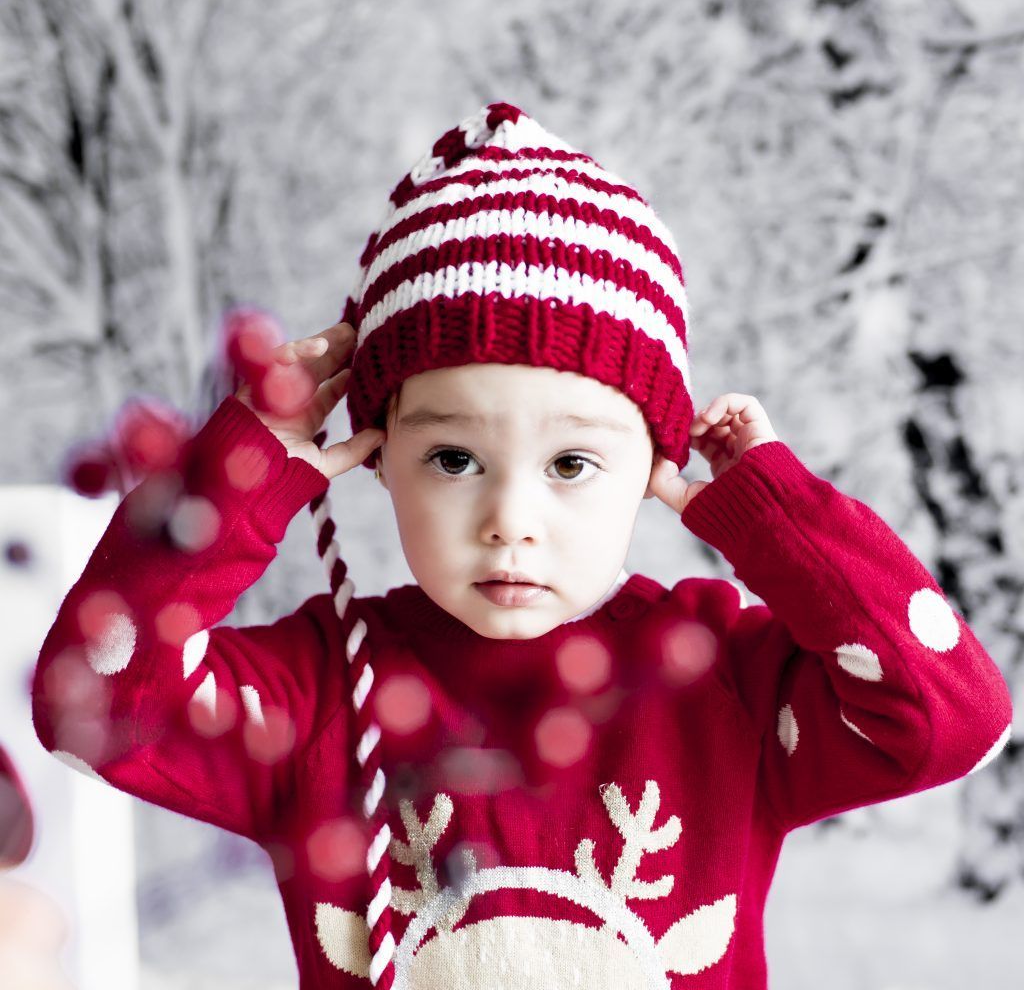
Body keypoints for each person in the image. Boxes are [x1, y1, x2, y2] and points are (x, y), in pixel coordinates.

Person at [32, 101, 1013, 990]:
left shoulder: (724, 683)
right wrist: (235, 478)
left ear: (656, 468)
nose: (511, 516)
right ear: (373, 456)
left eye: (573, 464)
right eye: (455, 457)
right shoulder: (324, 690)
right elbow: (98, 702)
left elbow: (946, 715)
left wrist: (773, 515)